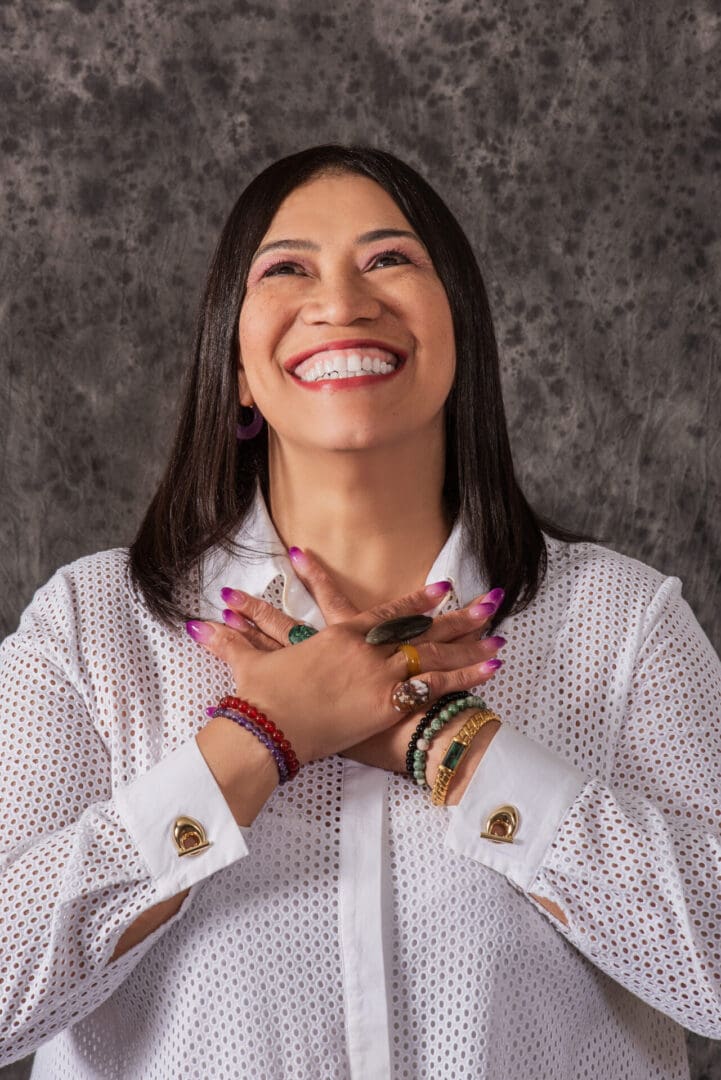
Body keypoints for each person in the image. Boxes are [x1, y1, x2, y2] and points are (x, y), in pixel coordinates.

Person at [1, 144, 719, 1080]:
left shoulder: (623, 623)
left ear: (461, 335)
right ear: (239, 371)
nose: (341, 302)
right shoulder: (89, 629)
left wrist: (449, 747)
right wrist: (260, 737)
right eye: (286, 267)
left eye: (389, 259)